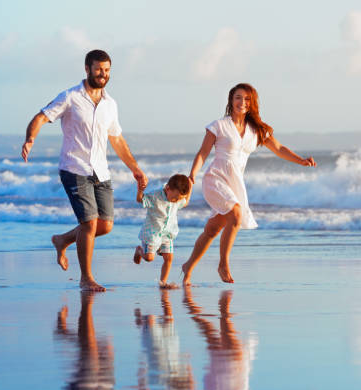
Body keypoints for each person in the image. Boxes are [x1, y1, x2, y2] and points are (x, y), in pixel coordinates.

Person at [21, 49, 148, 292]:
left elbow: (117, 140)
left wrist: (135, 169)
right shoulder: (70, 97)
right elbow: (40, 117)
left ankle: (62, 240)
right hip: (74, 167)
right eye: (99, 69)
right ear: (87, 69)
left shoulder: (110, 104)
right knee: (89, 224)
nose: (103, 74)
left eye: (107, 70)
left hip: (101, 171)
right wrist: (30, 139)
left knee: (105, 225)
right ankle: (86, 278)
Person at [182, 83, 317, 285]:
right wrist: (192, 175)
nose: (242, 102)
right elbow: (203, 152)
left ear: (252, 103)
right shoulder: (219, 125)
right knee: (236, 213)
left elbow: (279, 148)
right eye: (238, 97)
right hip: (215, 178)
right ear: (231, 100)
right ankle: (223, 264)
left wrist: (301, 160)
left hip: (235, 182)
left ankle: (188, 266)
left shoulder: (256, 130)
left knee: (212, 229)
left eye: (246, 99)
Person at [133, 174, 191, 289]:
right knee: (149, 258)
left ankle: (163, 282)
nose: (176, 201)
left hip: (167, 234)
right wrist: (140, 190)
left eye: (179, 199)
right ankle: (139, 251)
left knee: (169, 258)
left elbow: (186, 202)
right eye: (175, 198)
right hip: (152, 233)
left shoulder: (177, 197)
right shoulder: (155, 196)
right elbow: (140, 199)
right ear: (168, 188)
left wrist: (190, 187)